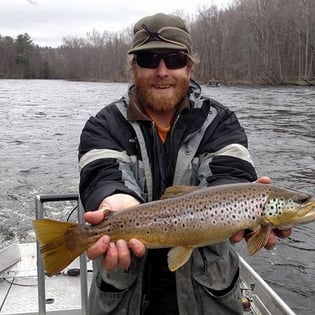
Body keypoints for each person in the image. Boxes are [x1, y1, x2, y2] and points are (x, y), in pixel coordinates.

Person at [78, 12, 291, 315]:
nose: (162, 71)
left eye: (174, 59)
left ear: (190, 67)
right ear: (133, 67)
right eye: (149, 59)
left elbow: (229, 175)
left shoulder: (220, 122)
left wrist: (242, 210)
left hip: (208, 299)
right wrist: (115, 203)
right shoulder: (104, 124)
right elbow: (104, 177)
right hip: (123, 297)